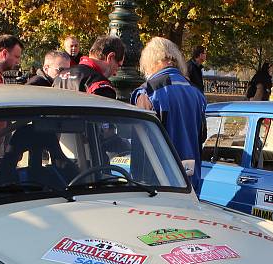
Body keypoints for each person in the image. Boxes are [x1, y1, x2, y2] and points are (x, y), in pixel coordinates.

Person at [131, 37, 206, 180]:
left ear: (152, 61)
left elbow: (141, 146)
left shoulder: (149, 92)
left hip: (158, 181)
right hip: (190, 177)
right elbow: (201, 136)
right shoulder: (196, 93)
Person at [53, 35, 125, 99]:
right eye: (118, 66)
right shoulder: (100, 86)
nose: (115, 73)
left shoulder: (59, 77)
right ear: (110, 57)